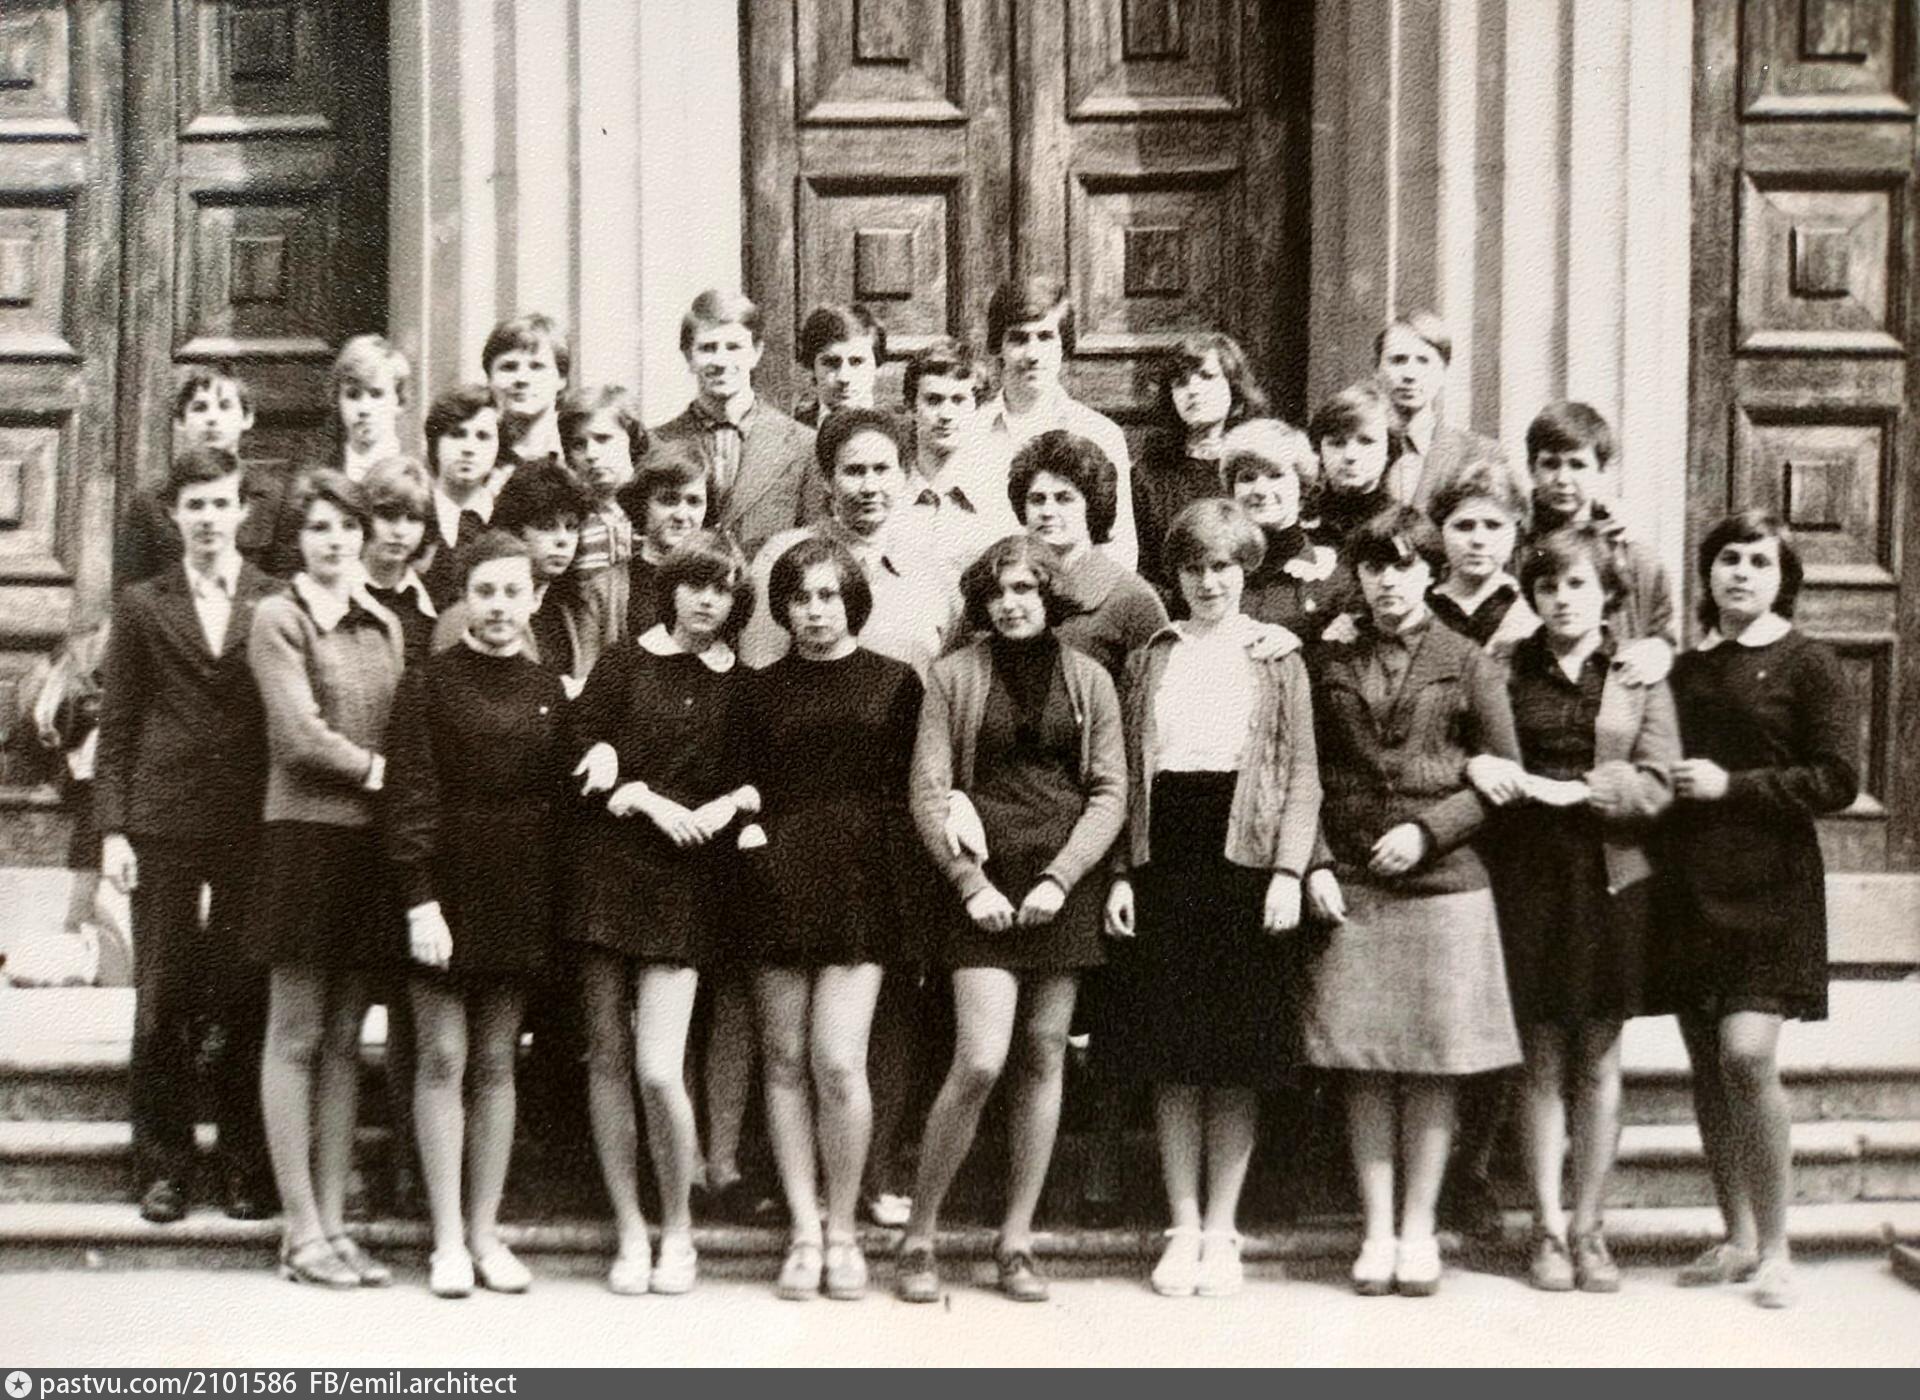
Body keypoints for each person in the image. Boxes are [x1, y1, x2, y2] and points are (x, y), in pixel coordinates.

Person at [1101, 499, 1323, 1299]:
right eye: (1194, 568)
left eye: (1223, 567)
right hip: (1167, 856)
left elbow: (1302, 775)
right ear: (1176, 574)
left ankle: (1223, 1227)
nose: (1209, 582)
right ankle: (1184, 1224)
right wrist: (1121, 873)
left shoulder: (1276, 656)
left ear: (1246, 571)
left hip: (1245, 857)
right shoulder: (1151, 656)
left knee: (1233, 1056)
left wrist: (1288, 872)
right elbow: (1127, 773)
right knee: (1173, 1053)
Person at [895, 534, 1124, 1303]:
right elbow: (929, 791)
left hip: (1062, 885)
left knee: (1044, 1052)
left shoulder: (1090, 678)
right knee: (981, 1059)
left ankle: (1017, 1240)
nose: (1011, 603)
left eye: (1026, 589)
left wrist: (1063, 877)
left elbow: (1110, 792)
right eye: (997, 592)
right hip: (983, 884)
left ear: (1050, 595)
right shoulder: (953, 676)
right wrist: (968, 882)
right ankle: (919, 1236)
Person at [1301, 505, 1522, 1298]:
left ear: (1430, 572)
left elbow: (1502, 776)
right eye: (1374, 567)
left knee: (1432, 1064)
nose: (1388, 581)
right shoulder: (1330, 658)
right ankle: (1376, 1231)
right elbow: (1303, 772)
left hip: (1444, 884)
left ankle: (1420, 1230)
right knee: (1363, 1064)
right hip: (1356, 880)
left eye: (1403, 566)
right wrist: (1315, 862)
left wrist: (1430, 832)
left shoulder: (1468, 661)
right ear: (1357, 576)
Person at [1467, 529, 1679, 1292]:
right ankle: (1547, 1230)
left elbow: (1659, 782)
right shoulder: (1502, 666)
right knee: (1540, 1058)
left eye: (1578, 585)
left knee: (1597, 1057)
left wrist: (1588, 790)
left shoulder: (1635, 671)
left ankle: (1591, 1229)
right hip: (1525, 876)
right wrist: (1484, 765)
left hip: (1608, 878)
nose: (1562, 599)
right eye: (1549, 586)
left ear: (1609, 595)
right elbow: (1470, 747)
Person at [1655, 511, 1857, 1310]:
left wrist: (1731, 786)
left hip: (1771, 886)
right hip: (1688, 885)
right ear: (1707, 572)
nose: (1740, 572)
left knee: (1745, 1056)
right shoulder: (1683, 668)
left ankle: (1777, 1249)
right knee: (1708, 1064)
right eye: (1728, 558)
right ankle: (1736, 1235)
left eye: (1759, 561)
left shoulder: (1810, 663)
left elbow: (1836, 778)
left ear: (1784, 578)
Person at [564, 530, 758, 1296]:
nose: (707, 600)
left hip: (686, 884)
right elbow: (583, 745)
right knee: (608, 1059)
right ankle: (630, 1231)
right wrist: (637, 792)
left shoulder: (741, 684)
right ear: (671, 587)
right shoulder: (623, 663)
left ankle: (678, 1227)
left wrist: (722, 806)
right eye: (695, 584)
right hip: (609, 872)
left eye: (722, 589)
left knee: (657, 1067)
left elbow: (756, 778)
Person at [96, 447, 282, 1225]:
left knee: (246, 991)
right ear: (173, 515)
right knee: (163, 995)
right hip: (163, 822)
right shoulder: (143, 604)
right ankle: (163, 1167)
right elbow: (117, 726)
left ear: (243, 511)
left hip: (249, 824)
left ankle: (243, 1163)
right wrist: (113, 830)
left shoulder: (274, 597)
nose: (208, 518)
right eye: (194, 505)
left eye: (221, 503)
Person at [738, 535, 925, 1300]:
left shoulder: (896, 682)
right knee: (783, 1061)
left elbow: (914, 794)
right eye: (801, 597)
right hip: (775, 884)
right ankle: (804, 1231)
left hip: (859, 886)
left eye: (829, 596)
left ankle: (843, 1230)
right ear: (782, 607)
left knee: (838, 1061)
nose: (815, 611)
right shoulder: (756, 691)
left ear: (853, 601)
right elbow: (742, 787)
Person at [382, 531, 569, 1298]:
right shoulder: (427, 683)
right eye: (484, 591)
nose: (498, 607)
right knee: (442, 1058)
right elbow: (408, 796)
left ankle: (486, 1232)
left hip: (518, 892)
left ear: (535, 598)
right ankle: (447, 1241)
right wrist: (419, 899)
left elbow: (560, 799)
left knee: (496, 1064)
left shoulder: (550, 687)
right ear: (463, 598)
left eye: (512, 592)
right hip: (444, 889)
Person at [247, 469, 406, 1288]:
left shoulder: (385, 622)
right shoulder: (279, 617)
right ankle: (300, 1229)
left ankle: (336, 1227)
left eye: (346, 526)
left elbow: (402, 725)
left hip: (370, 849)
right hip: (305, 840)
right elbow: (298, 736)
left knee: (346, 1040)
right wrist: (383, 774)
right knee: (297, 1034)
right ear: (297, 541)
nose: (335, 540)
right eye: (318, 528)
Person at [741, 408, 961, 674]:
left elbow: (949, 677)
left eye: (881, 469)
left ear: (903, 475)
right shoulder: (782, 554)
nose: (869, 487)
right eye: (854, 471)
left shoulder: (932, 568)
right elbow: (761, 668)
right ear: (827, 480)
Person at [977, 277, 1139, 569]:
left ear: (1064, 344)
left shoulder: (1100, 433)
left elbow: (1118, 547)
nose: (1032, 354)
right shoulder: (971, 432)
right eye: (1018, 339)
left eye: (1045, 337)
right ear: (998, 345)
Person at [650, 290, 818, 563]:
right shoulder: (658, 443)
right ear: (688, 356)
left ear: (756, 353)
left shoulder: (802, 444)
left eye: (733, 347)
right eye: (707, 348)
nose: (721, 361)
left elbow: (811, 544)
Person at [433, 460, 620, 688]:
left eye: (572, 527)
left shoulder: (567, 607)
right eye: (546, 526)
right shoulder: (468, 613)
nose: (563, 540)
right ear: (515, 529)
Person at [1011, 430, 1168, 677]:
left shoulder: (1135, 600)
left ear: (1093, 507)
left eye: (1064, 499)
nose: (1047, 511)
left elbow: (1154, 691)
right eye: (1037, 499)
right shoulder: (1002, 587)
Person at [1523, 401, 1676, 649]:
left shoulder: (1635, 560)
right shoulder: (1511, 548)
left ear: (1601, 470)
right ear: (1532, 469)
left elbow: (1661, 638)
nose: (1563, 479)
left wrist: (1658, 651)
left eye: (1577, 465)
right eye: (1550, 464)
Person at [261, 338, 414, 574]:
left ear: (399, 401)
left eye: (376, 394)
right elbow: (286, 559)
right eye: (353, 395)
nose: (364, 408)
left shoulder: (417, 474)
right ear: (337, 400)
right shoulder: (313, 473)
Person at [1133, 333, 1269, 592]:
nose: (1192, 390)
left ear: (1233, 386)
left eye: (1207, 376)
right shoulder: (1148, 474)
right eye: (1180, 382)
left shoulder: (1257, 468)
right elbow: (1144, 567)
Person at [118, 366, 276, 584]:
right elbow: (132, 591)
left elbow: (286, 589)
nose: (212, 418)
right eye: (200, 408)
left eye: (225, 406)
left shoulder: (275, 497)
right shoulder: (150, 503)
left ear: (247, 418)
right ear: (180, 422)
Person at [899, 337, 1017, 578]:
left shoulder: (1000, 500)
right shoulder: (889, 493)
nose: (946, 414)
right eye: (933, 400)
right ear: (911, 407)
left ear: (977, 408)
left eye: (958, 400)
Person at [1375, 311, 1516, 511]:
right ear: (1377, 370)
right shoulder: (1353, 448)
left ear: (1443, 372)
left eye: (1423, 361)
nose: (1410, 375)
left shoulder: (1481, 454)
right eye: (1398, 360)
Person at [1220, 418, 1346, 635]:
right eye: (1247, 478)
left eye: (1275, 475)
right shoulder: (1215, 573)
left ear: (1302, 486)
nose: (1260, 489)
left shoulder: (1329, 575)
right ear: (1232, 491)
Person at [1425, 464, 1538, 656]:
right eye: (1464, 526)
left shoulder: (1532, 612)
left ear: (1517, 531)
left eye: (1493, 525)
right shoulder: (1420, 607)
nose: (1478, 540)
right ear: (1441, 529)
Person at [561, 384, 644, 634]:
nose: (591, 454)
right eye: (579, 444)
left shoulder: (655, 509)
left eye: (603, 439)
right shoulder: (570, 523)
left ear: (632, 439)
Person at [417, 385, 503, 610]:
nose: (469, 449)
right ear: (435, 444)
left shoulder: (508, 519)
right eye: (457, 434)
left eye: (483, 437)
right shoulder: (414, 516)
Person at [358, 457, 439, 666]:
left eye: (413, 518)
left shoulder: (428, 602)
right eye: (388, 515)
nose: (400, 531)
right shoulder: (338, 592)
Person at [618, 451, 709, 637]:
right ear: (642, 505)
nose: (681, 515)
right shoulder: (608, 587)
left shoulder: (720, 583)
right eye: (668, 500)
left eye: (694, 502)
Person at [484, 312, 570, 476]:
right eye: (509, 367)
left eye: (537, 366)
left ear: (561, 378)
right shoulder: (476, 451)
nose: (522, 379)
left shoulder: (581, 450)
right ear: (489, 379)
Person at [794, 303, 885, 427]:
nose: (844, 377)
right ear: (812, 367)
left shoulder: (898, 432)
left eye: (857, 362)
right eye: (831, 363)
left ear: (876, 366)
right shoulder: (792, 429)